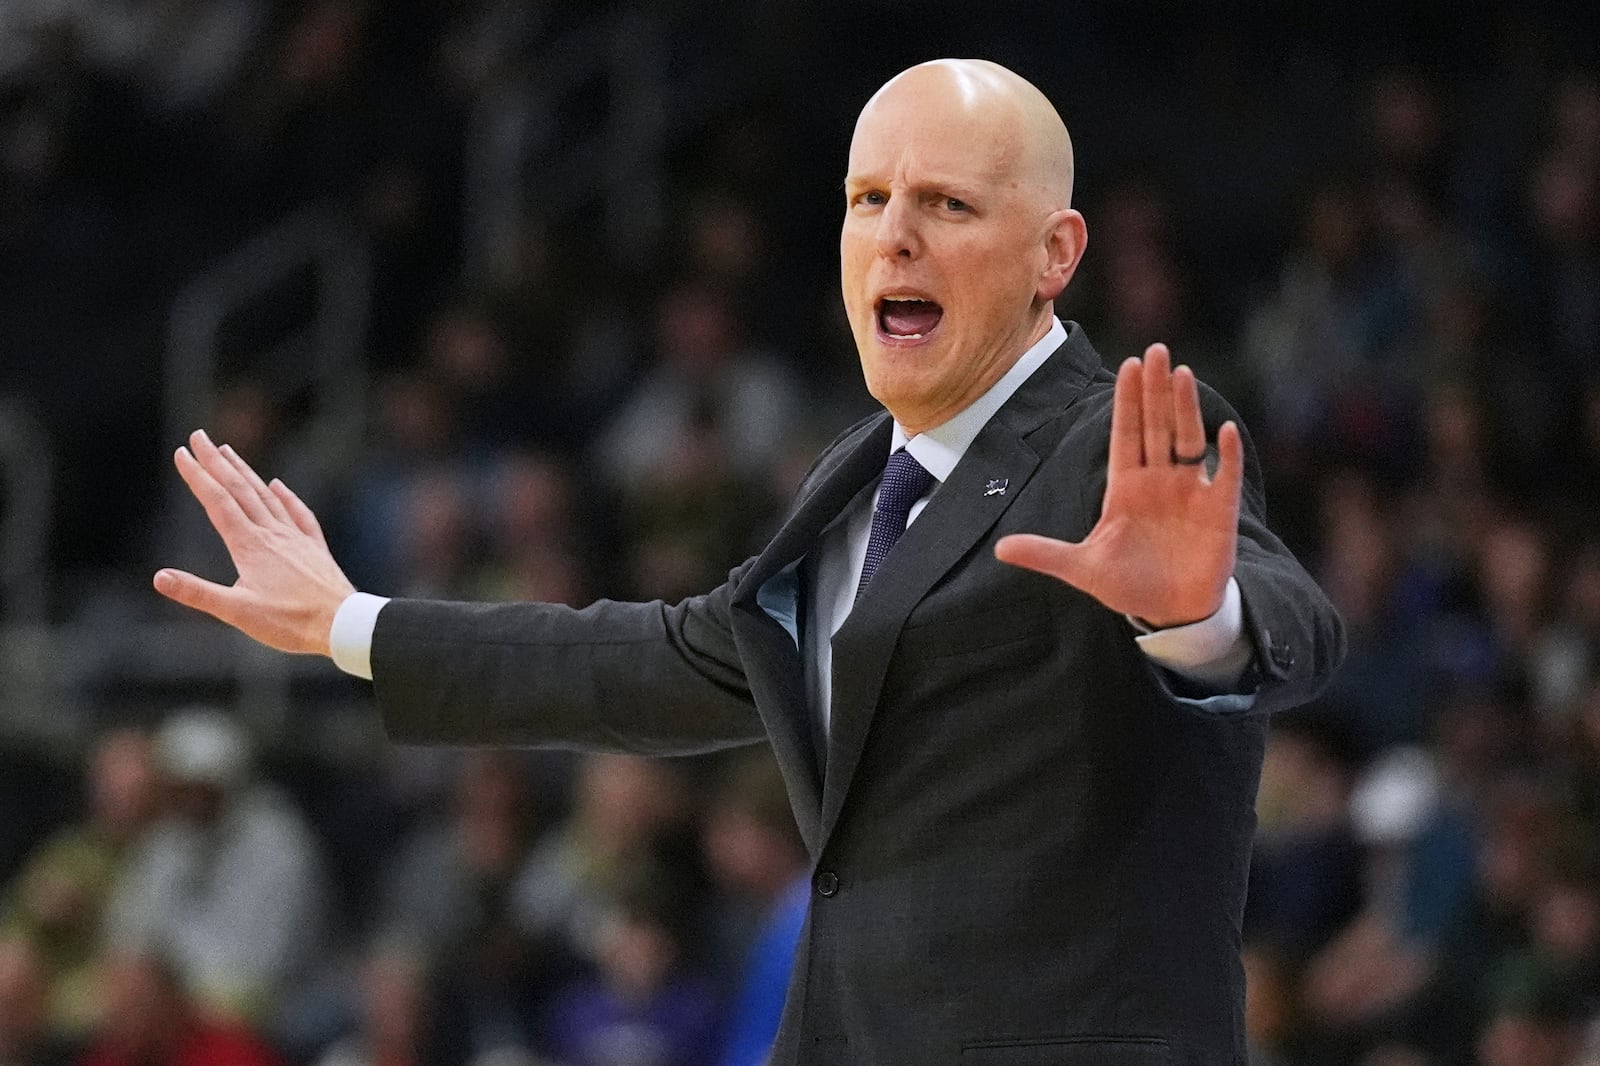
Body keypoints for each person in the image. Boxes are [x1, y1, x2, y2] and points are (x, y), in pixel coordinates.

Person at [152, 59, 1344, 1065]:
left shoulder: (1113, 444)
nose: (894, 234)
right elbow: (662, 659)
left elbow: (1291, 624)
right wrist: (348, 622)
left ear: (1055, 252)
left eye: (945, 203)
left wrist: (1198, 618)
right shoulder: (855, 476)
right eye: (866, 197)